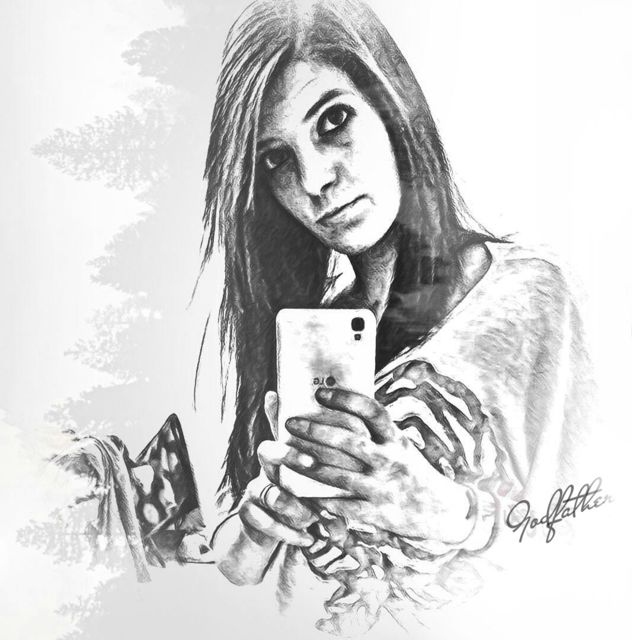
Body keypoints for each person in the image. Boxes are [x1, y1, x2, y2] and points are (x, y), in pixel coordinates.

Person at [201, 0, 595, 634]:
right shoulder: (309, 336)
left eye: (333, 121)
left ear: (392, 107)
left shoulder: (530, 296)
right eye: (276, 158)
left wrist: (449, 514)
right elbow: (236, 577)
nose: (314, 180)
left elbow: (596, 540)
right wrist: (258, 526)